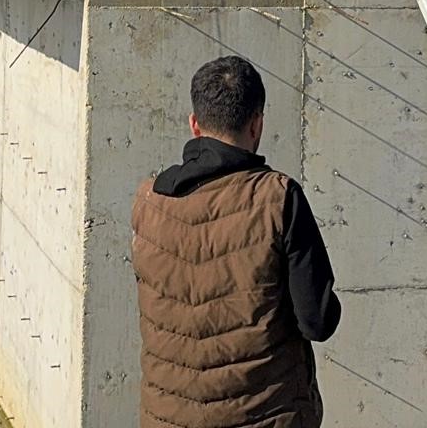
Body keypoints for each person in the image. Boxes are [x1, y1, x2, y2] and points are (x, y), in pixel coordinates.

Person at [133, 56, 340, 428]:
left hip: (167, 418)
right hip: (266, 416)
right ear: (257, 124)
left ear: (194, 125)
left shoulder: (149, 202)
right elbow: (318, 322)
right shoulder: (278, 198)